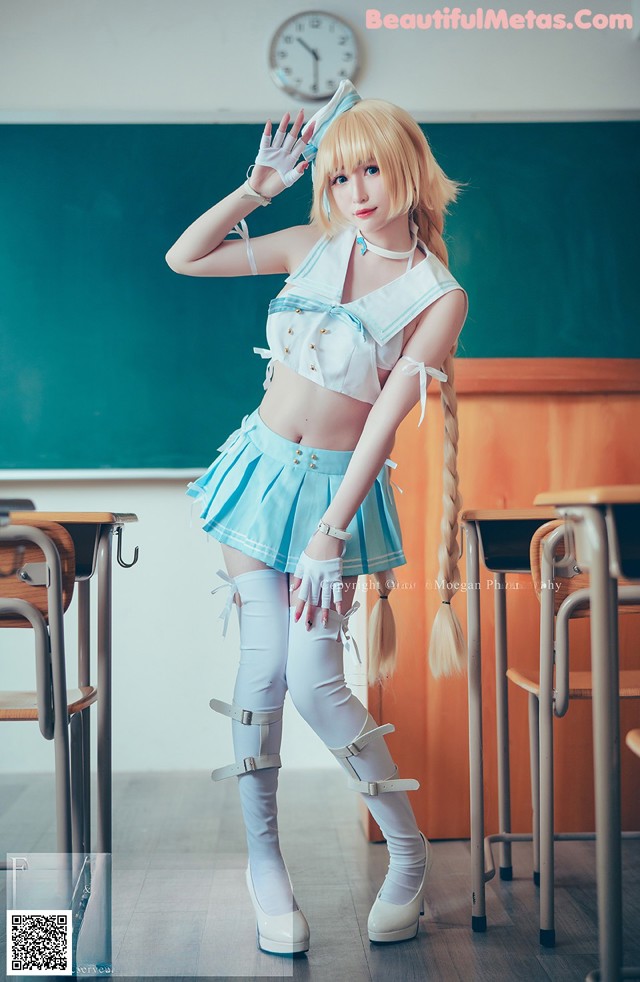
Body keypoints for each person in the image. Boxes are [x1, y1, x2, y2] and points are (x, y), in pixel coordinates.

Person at [165, 80, 468, 956]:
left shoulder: (437, 295)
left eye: (370, 170)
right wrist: (256, 191)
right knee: (262, 678)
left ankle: (408, 857)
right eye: (339, 177)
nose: (357, 192)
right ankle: (268, 871)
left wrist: (333, 532)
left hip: (330, 501)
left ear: (407, 170)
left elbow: (384, 419)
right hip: (256, 476)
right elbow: (185, 259)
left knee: (319, 687)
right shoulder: (309, 244)